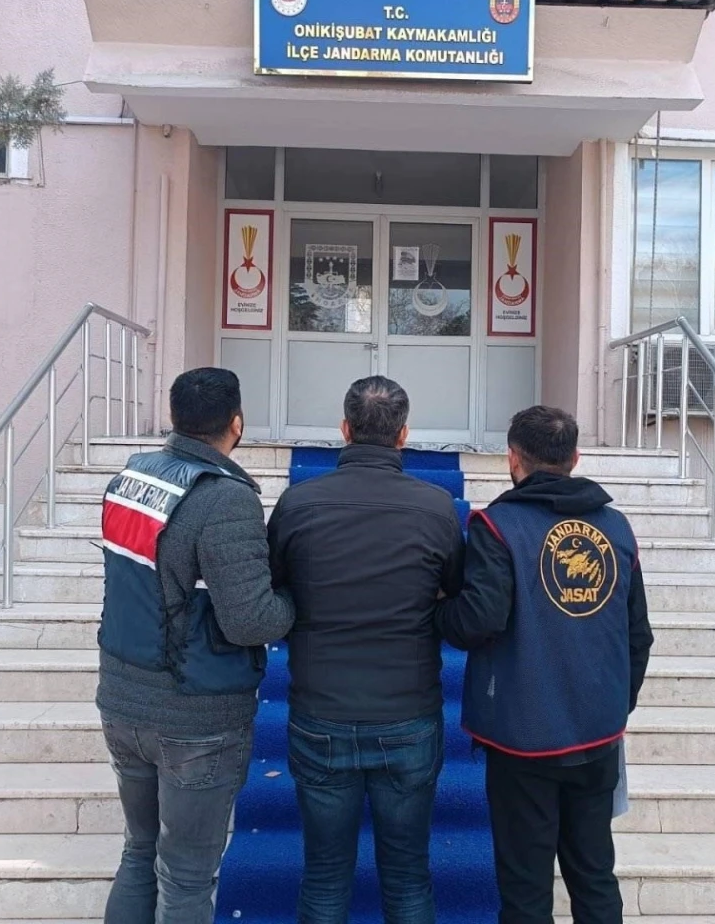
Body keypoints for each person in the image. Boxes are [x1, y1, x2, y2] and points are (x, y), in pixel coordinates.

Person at [436, 405, 654, 924]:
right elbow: (638, 634)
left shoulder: (497, 526)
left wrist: (441, 607)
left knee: (526, 889)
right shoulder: (616, 528)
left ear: (513, 458)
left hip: (523, 736)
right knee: (594, 875)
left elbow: (477, 622)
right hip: (598, 733)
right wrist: (615, 706)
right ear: (575, 458)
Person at [96, 367, 295, 924]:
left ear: (174, 417)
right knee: (186, 877)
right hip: (194, 719)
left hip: (123, 700)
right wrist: (295, 600)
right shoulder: (224, 498)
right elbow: (251, 622)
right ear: (237, 423)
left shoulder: (132, 478)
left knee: (139, 852)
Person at [267, 375, 465, 924]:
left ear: (345, 429)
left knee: (324, 876)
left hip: (321, 711)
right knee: (408, 878)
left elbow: (271, 590)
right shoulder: (437, 507)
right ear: (403, 435)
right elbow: (454, 592)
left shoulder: (298, 502)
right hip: (408, 713)